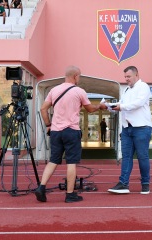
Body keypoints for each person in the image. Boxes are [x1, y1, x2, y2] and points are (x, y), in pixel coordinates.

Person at [35, 66, 100, 203]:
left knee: (53, 160)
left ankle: (41, 187)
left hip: (55, 131)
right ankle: (70, 194)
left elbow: (43, 109)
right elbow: (90, 109)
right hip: (71, 131)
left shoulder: (54, 90)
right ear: (76, 76)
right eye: (79, 76)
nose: (79, 79)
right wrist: (100, 106)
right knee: (71, 162)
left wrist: (48, 125)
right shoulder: (79, 91)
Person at [102, 66, 152, 195]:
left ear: (137, 75)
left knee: (142, 157)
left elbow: (138, 103)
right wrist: (109, 106)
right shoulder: (126, 90)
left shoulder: (144, 87)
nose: (126, 79)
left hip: (141, 127)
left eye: (128, 77)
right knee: (126, 157)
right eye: (125, 77)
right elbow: (121, 104)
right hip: (127, 129)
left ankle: (145, 184)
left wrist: (120, 106)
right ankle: (123, 184)